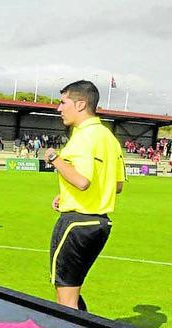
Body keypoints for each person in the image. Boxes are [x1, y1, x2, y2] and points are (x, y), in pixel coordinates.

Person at [45, 80, 125, 311]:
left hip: (77, 223)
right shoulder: (109, 138)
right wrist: (65, 195)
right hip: (99, 224)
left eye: (63, 102)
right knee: (73, 293)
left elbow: (81, 181)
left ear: (80, 104)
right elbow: (116, 186)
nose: (59, 108)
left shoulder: (82, 137)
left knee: (66, 300)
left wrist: (54, 158)